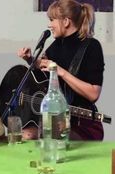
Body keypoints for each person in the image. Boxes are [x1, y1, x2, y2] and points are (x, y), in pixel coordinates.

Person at [18, 0, 104, 140]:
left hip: (82, 124)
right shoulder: (56, 45)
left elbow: (93, 94)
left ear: (65, 21)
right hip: (56, 120)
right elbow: (44, 75)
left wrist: (61, 71)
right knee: (23, 135)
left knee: (52, 137)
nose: (49, 25)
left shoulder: (92, 47)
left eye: (52, 20)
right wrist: (30, 60)